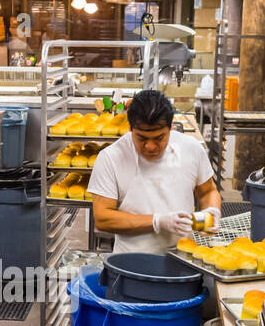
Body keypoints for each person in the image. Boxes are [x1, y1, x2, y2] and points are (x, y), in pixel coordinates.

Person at [88, 89, 222, 254]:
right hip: (131, 263)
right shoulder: (111, 157)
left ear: (171, 127)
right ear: (130, 128)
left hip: (183, 260)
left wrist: (212, 210)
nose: (150, 147)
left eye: (159, 138)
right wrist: (157, 222)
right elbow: (103, 218)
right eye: (141, 138)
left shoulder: (191, 148)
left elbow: (208, 192)